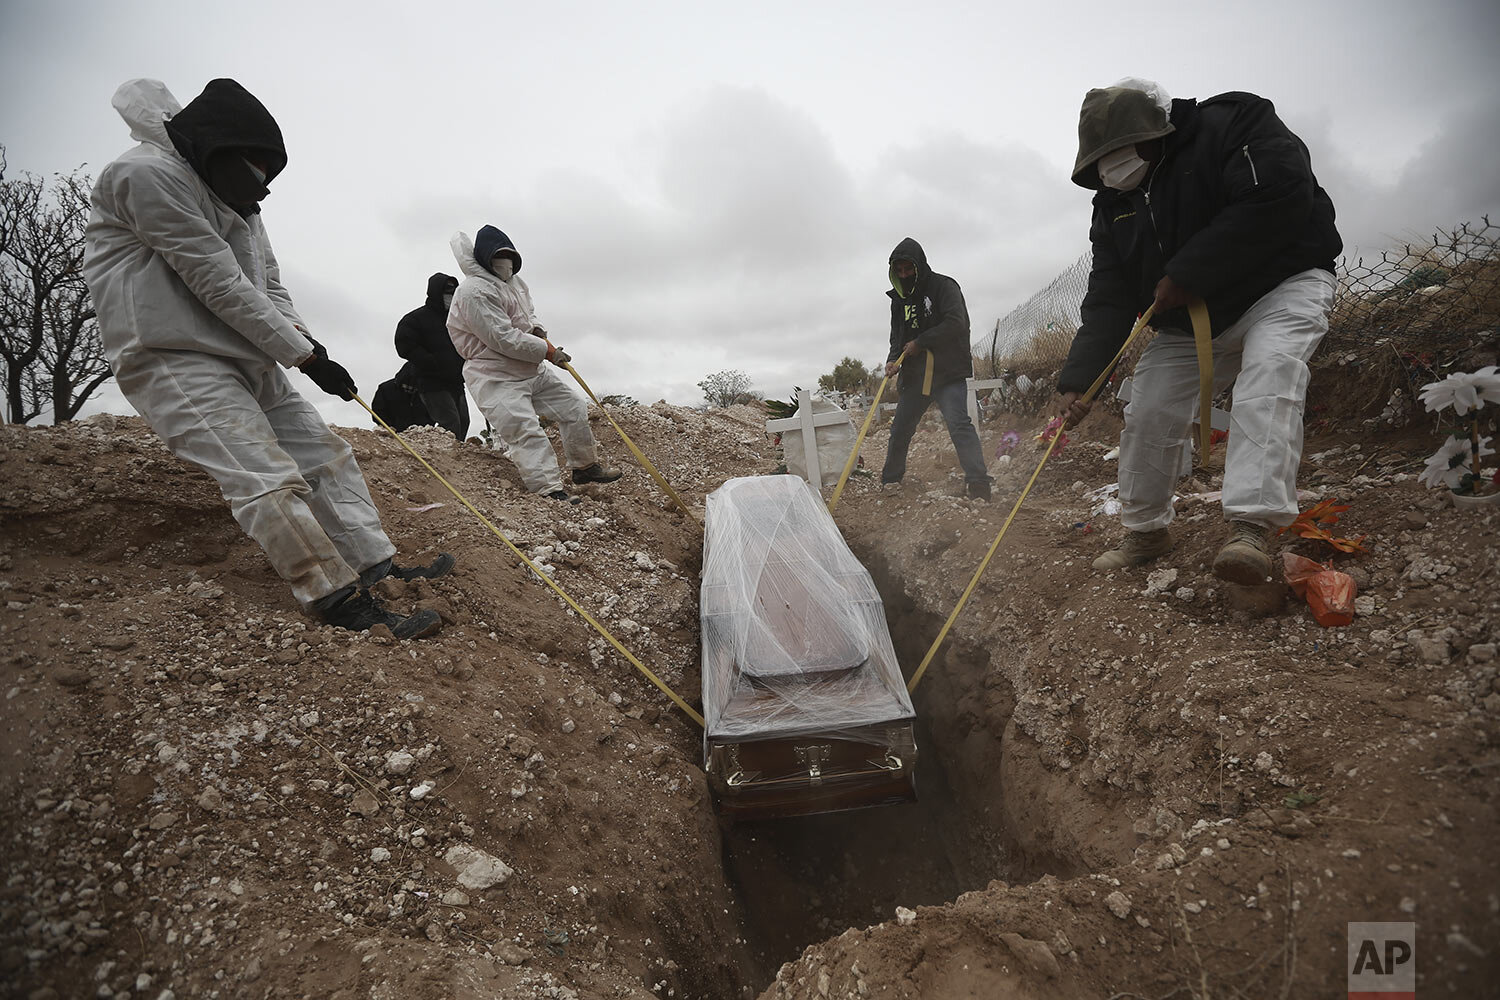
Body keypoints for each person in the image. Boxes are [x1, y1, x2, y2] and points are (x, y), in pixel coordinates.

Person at [82, 78, 453, 638]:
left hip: (250, 353)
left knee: (325, 455)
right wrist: (303, 357)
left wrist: (310, 346)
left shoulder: (241, 200)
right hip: (173, 355)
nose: (260, 186)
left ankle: (376, 566)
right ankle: (335, 598)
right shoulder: (144, 175)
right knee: (264, 476)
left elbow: (267, 284)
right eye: (253, 170)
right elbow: (217, 280)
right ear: (218, 149)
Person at [1056, 79, 1342, 583]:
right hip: (1189, 319)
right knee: (1149, 407)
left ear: (1155, 132)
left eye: (1120, 152)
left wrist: (1188, 273)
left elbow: (1276, 197)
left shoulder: (1234, 124)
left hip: (1278, 287)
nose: (1112, 168)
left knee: (1269, 378)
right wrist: (1080, 381)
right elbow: (1109, 297)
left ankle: (1250, 527)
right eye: (1101, 160)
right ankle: (1146, 531)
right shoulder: (1112, 203)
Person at [446, 225, 621, 501]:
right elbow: (501, 338)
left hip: (530, 368)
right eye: (498, 256)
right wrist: (547, 351)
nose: (505, 263)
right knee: (525, 431)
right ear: (483, 257)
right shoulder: (473, 292)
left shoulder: (516, 283)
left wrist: (538, 331)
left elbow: (528, 315)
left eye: (509, 256)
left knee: (573, 407)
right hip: (495, 376)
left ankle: (584, 467)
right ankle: (549, 491)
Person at [880, 238, 992, 501]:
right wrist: (892, 359)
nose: (905, 275)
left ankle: (978, 485)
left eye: (909, 269)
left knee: (959, 424)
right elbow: (897, 336)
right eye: (900, 271)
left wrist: (921, 342)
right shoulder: (898, 300)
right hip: (915, 377)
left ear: (919, 266)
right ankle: (891, 482)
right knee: (900, 429)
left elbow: (957, 323)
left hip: (947, 373)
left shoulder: (944, 287)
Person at [394, 273, 469, 439]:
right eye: (447, 293)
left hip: (456, 381)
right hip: (432, 382)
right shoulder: (415, 319)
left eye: (453, 293)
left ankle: (459, 459)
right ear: (436, 293)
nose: (450, 297)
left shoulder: (458, 320)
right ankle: (447, 459)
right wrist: (430, 362)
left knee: (464, 421)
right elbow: (404, 345)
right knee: (451, 422)